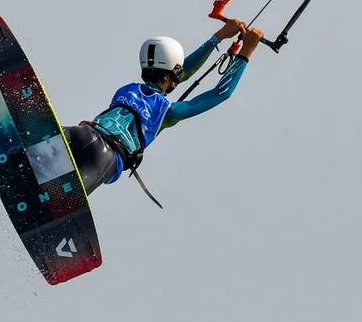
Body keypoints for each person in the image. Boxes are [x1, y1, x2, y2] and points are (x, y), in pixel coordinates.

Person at [63, 19, 265, 207]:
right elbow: (220, 93)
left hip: (83, 134)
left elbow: (180, 72)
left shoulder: (125, 90)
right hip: (105, 157)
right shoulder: (167, 112)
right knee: (67, 203)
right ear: (172, 75)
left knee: (45, 144)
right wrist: (246, 52)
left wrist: (218, 36)